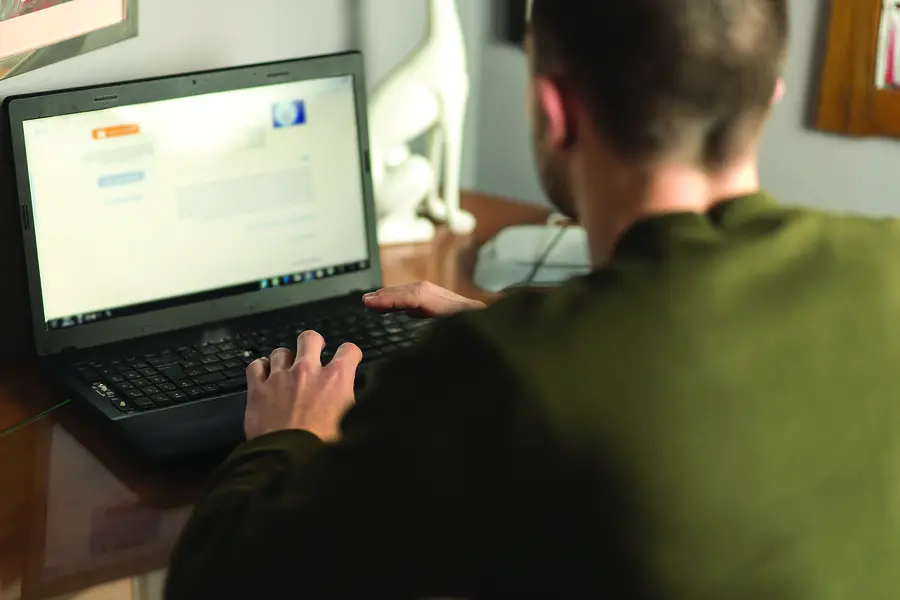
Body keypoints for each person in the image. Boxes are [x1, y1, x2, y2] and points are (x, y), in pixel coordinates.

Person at [166, 0, 900, 598]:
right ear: (766, 93)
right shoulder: (887, 262)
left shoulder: (506, 372)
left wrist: (286, 436)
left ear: (555, 112)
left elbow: (216, 584)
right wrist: (531, 336)